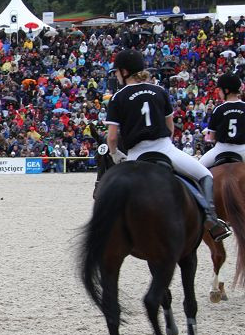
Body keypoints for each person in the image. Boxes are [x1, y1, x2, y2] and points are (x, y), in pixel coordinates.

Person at [105, 49, 231, 242]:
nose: (115, 76)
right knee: (205, 174)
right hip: (165, 148)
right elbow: (170, 127)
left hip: (136, 155)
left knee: (113, 191)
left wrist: (114, 154)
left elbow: (112, 138)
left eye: (116, 72)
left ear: (124, 71)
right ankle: (210, 218)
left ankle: (112, 233)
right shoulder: (160, 91)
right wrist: (165, 145)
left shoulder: (117, 98)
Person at [199, 73, 245, 168]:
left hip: (221, 149)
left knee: (198, 170)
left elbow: (211, 137)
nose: (218, 92)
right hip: (243, 149)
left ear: (226, 90)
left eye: (219, 89)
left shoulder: (219, 109)